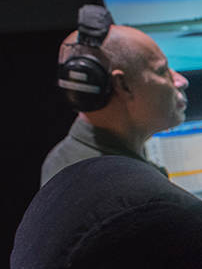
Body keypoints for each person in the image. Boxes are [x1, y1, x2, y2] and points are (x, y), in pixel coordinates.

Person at [41, 21, 188, 185]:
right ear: (122, 85)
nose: (181, 81)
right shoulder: (135, 189)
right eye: (162, 71)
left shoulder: (64, 158)